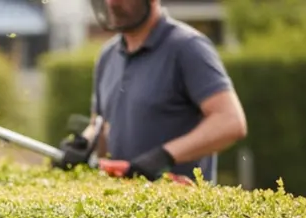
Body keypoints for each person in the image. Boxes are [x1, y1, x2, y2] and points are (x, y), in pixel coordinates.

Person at [58, 0, 248, 183]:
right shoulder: (108, 55)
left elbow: (230, 121)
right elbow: (101, 124)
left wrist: (164, 156)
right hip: (123, 201)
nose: (112, 3)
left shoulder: (188, 47)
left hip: (180, 202)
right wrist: (84, 143)